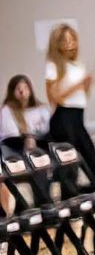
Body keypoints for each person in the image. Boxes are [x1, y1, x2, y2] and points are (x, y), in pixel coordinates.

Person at [44, 23, 95, 188]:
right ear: (58, 43)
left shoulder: (78, 64)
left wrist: (86, 84)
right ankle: (69, 198)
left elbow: (83, 96)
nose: (70, 44)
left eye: (72, 40)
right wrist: (77, 85)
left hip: (78, 116)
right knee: (68, 165)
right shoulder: (53, 65)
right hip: (63, 117)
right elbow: (55, 97)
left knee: (91, 158)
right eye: (65, 40)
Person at [1, 75, 52, 213]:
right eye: (18, 88)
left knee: (43, 158)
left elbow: (47, 131)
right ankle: (41, 206)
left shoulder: (40, 109)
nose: (22, 91)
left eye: (25, 87)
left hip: (37, 149)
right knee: (34, 160)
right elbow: (9, 136)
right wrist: (28, 138)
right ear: (12, 91)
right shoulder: (7, 110)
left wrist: (33, 138)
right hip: (14, 151)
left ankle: (46, 206)